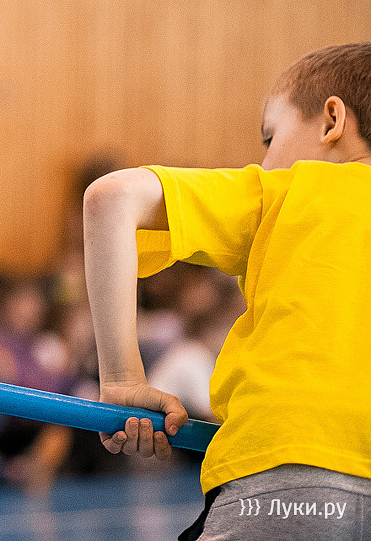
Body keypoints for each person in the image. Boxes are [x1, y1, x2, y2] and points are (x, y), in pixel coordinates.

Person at [82, 42, 371, 540]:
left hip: (290, 476)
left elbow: (111, 198)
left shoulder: (287, 191)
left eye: (270, 137)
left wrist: (123, 379)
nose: (263, 158)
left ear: (332, 121)